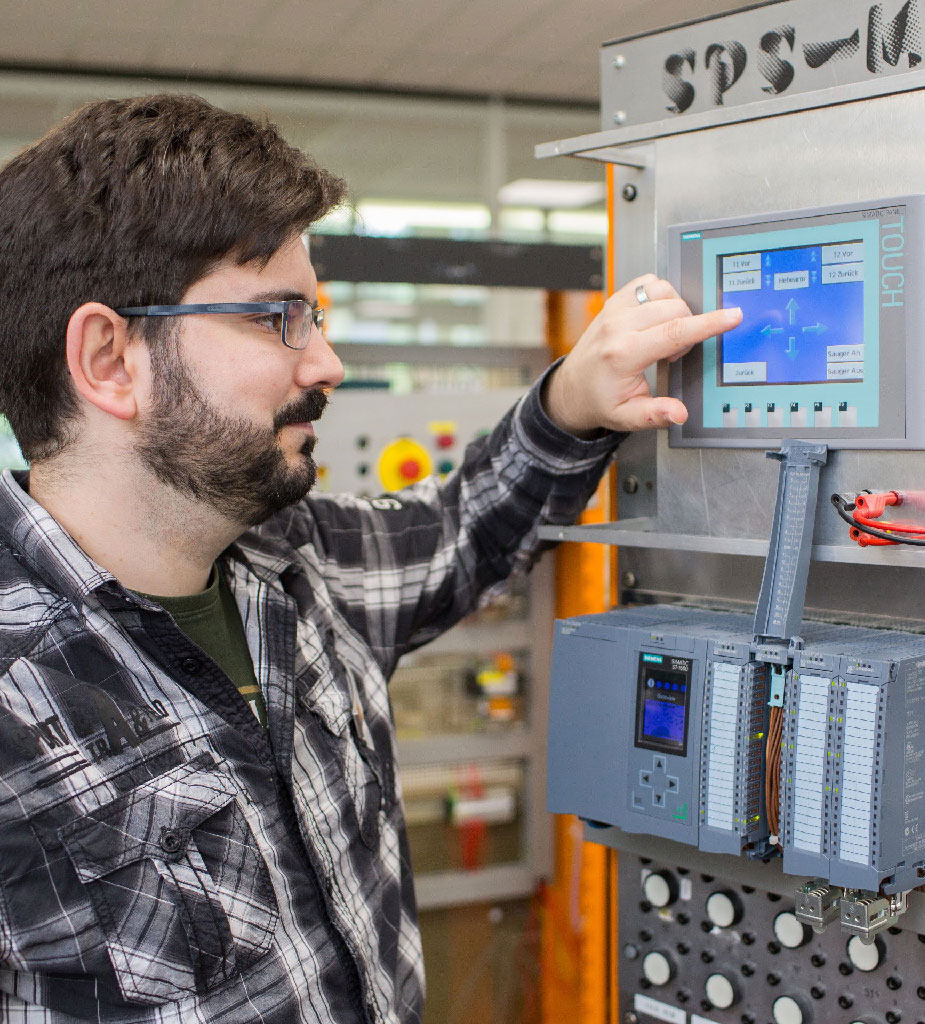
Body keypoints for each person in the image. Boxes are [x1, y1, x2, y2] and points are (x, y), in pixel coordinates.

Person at [0, 94, 740, 1024]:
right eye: (281, 317)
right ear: (111, 358)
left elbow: (470, 525)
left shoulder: (296, 566)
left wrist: (572, 400)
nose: (328, 364)